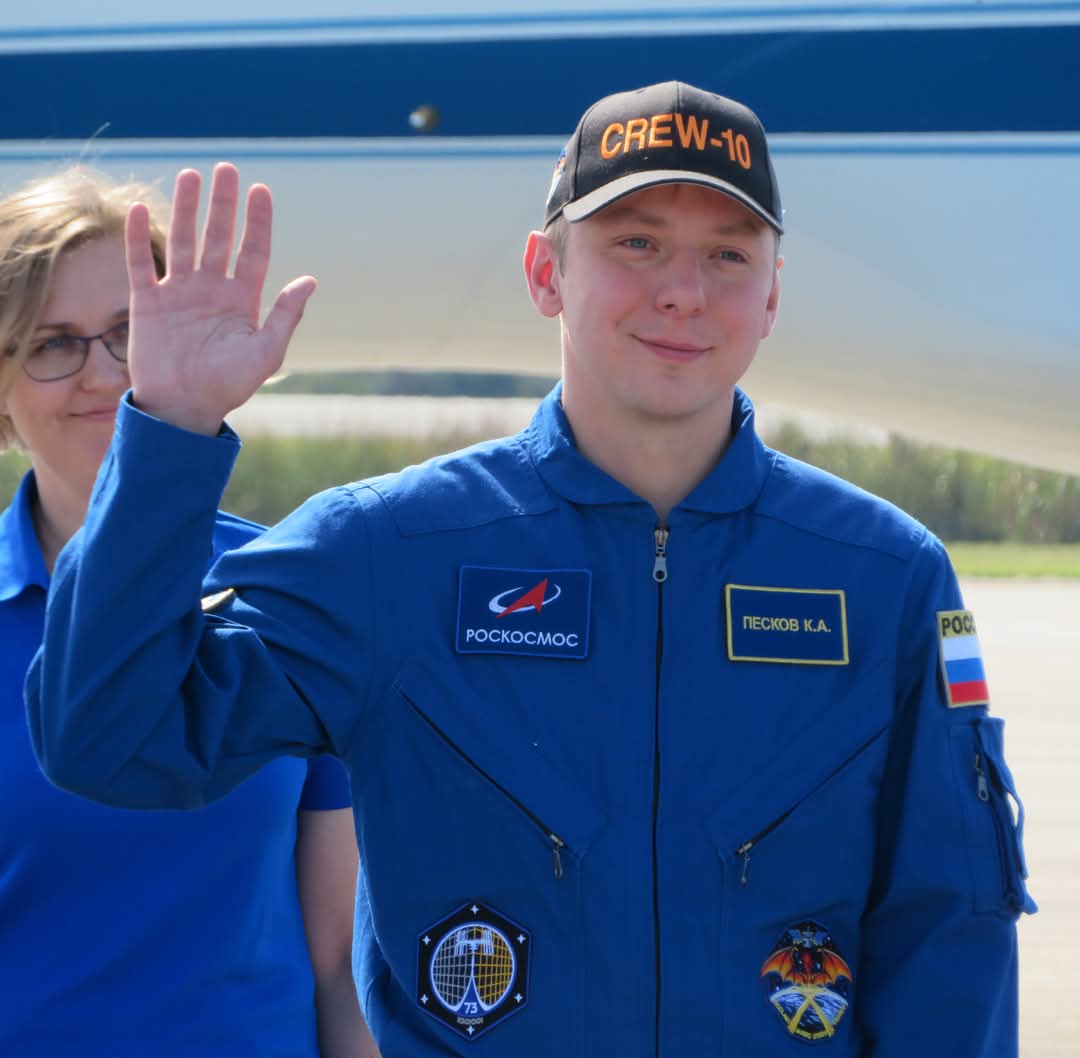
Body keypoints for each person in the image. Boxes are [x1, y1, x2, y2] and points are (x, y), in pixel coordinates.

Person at [26, 83, 1034, 1057]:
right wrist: (169, 435)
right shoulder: (387, 551)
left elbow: (949, 930)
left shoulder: (886, 576)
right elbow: (108, 738)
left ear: (772, 293)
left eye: (728, 254)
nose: (683, 289)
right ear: (545, 272)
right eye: (634, 242)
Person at [0, 167, 379, 1057]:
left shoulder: (289, 596)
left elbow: (344, 962)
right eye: (53, 343)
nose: (103, 373)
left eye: (133, 334)